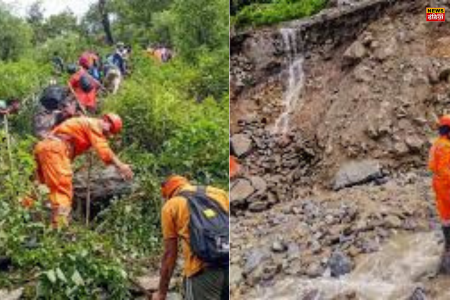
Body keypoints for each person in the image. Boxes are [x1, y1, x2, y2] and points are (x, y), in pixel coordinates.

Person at [33, 114, 133, 228]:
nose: (107, 135)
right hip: (55, 150)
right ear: (105, 120)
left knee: (39, 186)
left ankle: (27, 215)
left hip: (44, 147)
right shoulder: (94, 124)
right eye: (109, 130)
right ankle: (59, 227)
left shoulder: (85, 123)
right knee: (62, 187)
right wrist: (121, 166)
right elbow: (104, 151)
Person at [153, 175, 229, 300]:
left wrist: (161, 292)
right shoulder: (219, 193)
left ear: (166, 191)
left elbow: (170, 254)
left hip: (201, 272)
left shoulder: (172, 205)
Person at [429, 114, 450, 273]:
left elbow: (432, 166)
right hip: (446, 184)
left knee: (445, 215)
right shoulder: (446, 147)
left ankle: (448, 244)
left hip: (438, 183)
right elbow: (446, 171)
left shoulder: (436, 144)